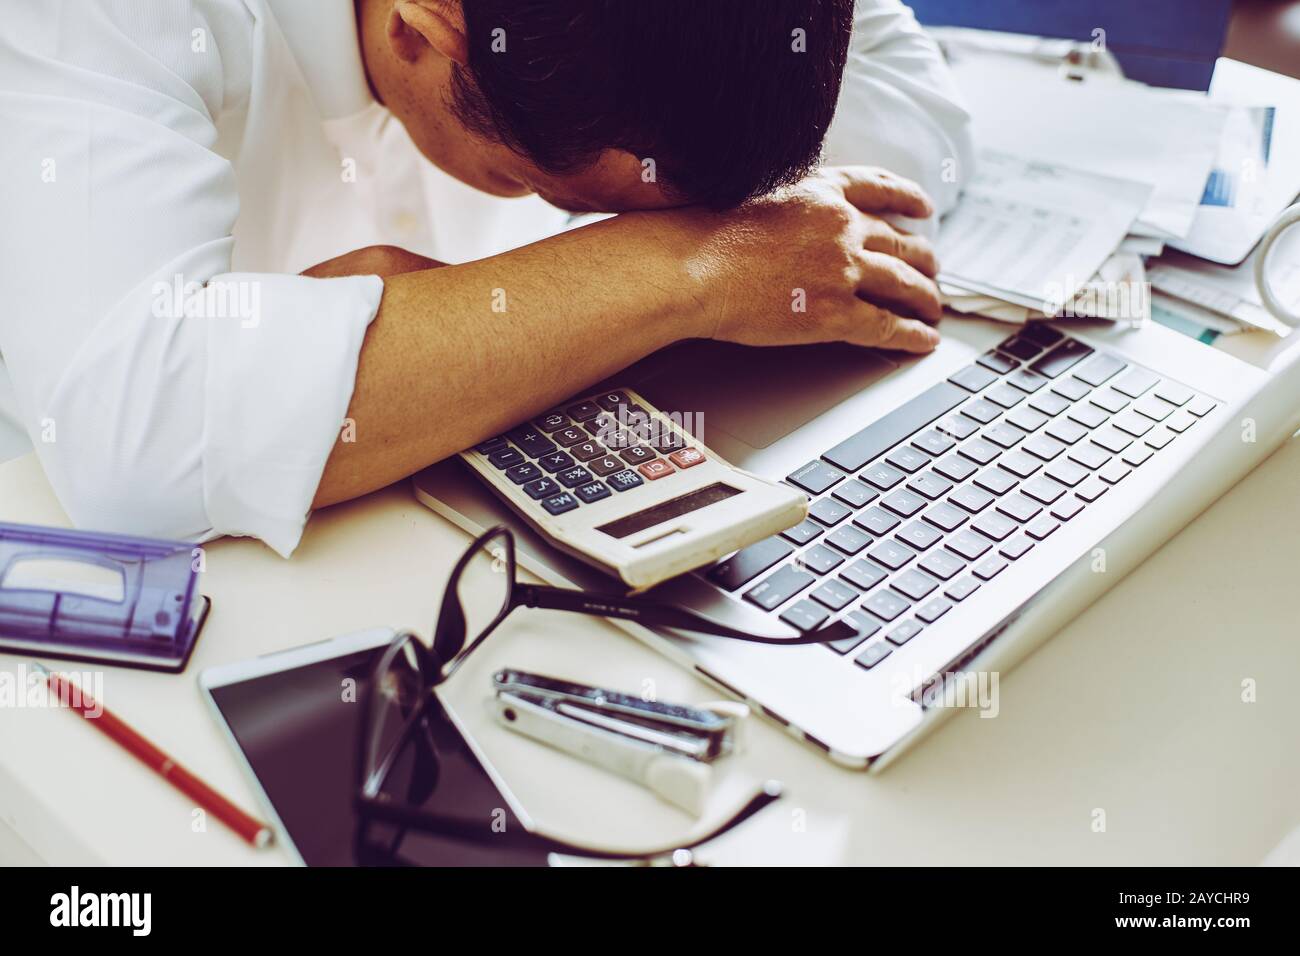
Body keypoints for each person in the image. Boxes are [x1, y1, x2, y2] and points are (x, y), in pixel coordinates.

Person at [0, 0, 973, 555]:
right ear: (421, 33)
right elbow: (137, 435)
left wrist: (414, 328)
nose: (611, 227)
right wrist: (690, 264)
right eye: (546, 194)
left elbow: (920, 125)